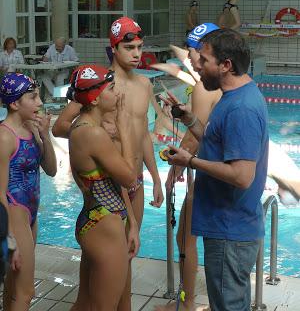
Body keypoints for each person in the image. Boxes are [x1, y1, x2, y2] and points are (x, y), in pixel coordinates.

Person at [52, 16, 164, 311]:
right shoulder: (100, 84)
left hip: (134, 179)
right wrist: (102, 132)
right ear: (114, 48)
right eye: (130, 48)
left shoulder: (143, 84)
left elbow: (141, 136)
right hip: (109, 181)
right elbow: (61, 127)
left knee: (126, 254)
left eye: (140, 47)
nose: (137, 54)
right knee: (111, 258)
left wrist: (155, 177)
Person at [163, 28, 269, 311]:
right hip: (227, 225)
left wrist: (190, 161)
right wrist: (190, 120)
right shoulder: (234, 96)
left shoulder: (241, 109)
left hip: (230, 231)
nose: (196, 64)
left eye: (204, 59)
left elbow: (242, 176)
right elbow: (218, 144)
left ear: (226, 65)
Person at [155, 23, 222, 311]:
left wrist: (177, 166)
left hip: (210, 173)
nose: (189, 58)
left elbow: (198, 134)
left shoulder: (204, 89)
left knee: (186, 236)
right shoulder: (227, 85)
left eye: (192, 52)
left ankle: (188, 303)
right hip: (218, 172)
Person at [67, 64, 139, 310]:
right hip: (104, 227)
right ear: (96, 99)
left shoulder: (82, 127)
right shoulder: (93, 135)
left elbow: (111, 183)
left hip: (97, 220)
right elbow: (129, 178)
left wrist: (131, 223)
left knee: (85, 303)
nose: (117, 93)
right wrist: (124, 126)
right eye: (112, 88)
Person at [0, 72, 57, 310]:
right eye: (33, 97)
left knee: (13, 287)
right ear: (14, 103)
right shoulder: (4, 137)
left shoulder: (31, 128)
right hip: (14, 214)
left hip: (30, 215)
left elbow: (51, 170)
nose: (40, 102)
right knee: (26, 292)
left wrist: (45, 134)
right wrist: (9, 237)